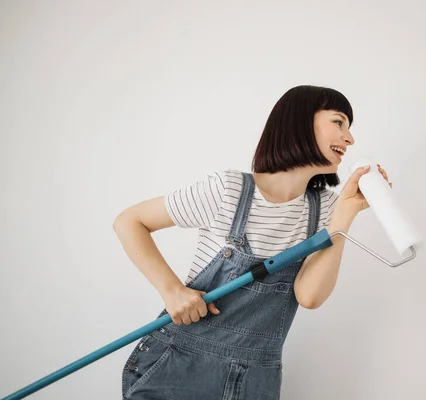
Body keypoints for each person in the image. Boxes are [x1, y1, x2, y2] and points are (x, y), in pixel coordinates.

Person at [113, 85, 391, 399]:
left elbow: (310, 296)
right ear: (300, 120)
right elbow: (129, 221)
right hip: (179, 365)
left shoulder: (325, 208)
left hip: (255, 378)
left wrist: (346, 213)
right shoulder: (229, 190)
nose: (350, 138)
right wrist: (173, 291)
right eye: (339, 122)